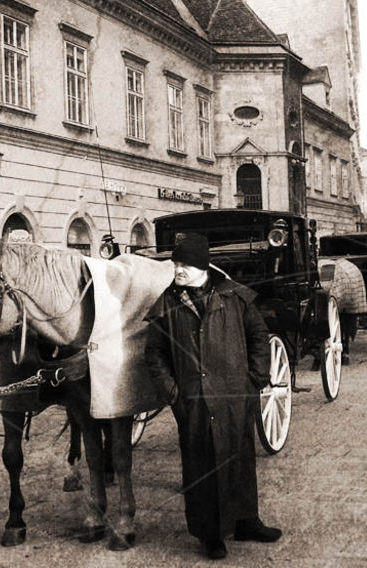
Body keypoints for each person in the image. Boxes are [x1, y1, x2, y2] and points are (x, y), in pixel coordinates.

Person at [144, 233, 281, 560]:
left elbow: (258, 335)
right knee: (200, 465)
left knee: (240, 457)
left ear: (203, 266)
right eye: (176, 264)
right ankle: (211, 534)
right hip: (193, 400)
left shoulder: (234, 296)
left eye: (185, 265)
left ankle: (246, 521)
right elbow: (154, 353)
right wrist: (172, 393)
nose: (178, 270)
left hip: (234, 396)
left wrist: (255, 379)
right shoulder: (167, 304)